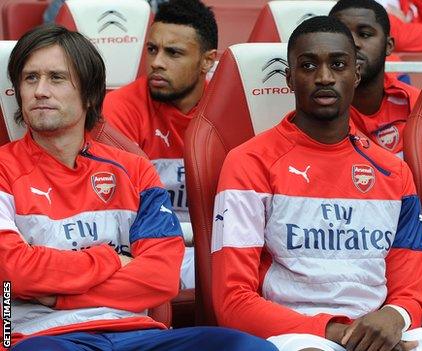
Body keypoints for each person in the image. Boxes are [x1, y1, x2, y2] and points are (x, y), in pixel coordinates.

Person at [210, 15, 422, 351]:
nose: (324, 77)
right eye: (308, 65)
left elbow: (410, 288)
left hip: (381, 330)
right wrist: (343, 334)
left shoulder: (393, 171)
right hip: (299, 330)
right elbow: (233, 301)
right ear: (289, 78)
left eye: (338, 64)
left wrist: (394, 316)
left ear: (356, 73)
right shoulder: (248, 163)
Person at [0, 24, 277, 351]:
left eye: (56, 78)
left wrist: (57, 294)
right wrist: (111, 259)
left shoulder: (134, 169)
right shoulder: (4, 170)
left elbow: (161, 277)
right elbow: (13, 273)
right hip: (38, 337)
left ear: (90, 94)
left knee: (249, 348)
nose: (40, 91)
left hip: (136, 332)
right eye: (30, 78)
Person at [102, 0, 218, 289]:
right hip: (147, 246)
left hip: (214, 245)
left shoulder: (228, 106)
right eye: (152, 49)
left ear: (208, 60)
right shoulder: (119, 108)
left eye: (173, 53)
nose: (156, 62)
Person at [329, 0, 420, 158]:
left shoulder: (418, 105)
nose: (354, 43)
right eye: (343, 35)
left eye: (364, 34)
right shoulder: (312, 111)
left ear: (388, 45)